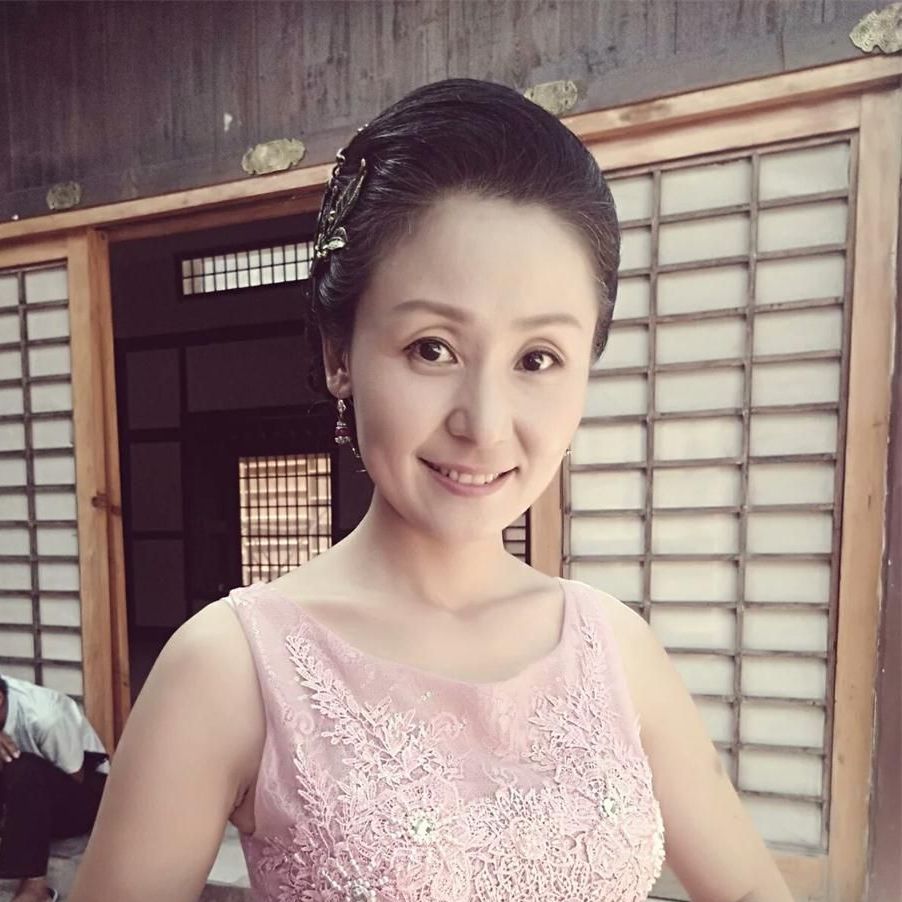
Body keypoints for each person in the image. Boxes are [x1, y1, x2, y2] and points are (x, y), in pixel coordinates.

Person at [69, 78, 794, 901]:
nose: (483, 424)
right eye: (432, 348)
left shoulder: (615, 650)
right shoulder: (230, 666)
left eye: (538, 359)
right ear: (340, 354)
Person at [0, 674, 109, 902]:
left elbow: (76, 777)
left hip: (83, 796)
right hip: (22, 793)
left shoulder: (46, 716)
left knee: (24, 767)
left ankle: (35, 888)